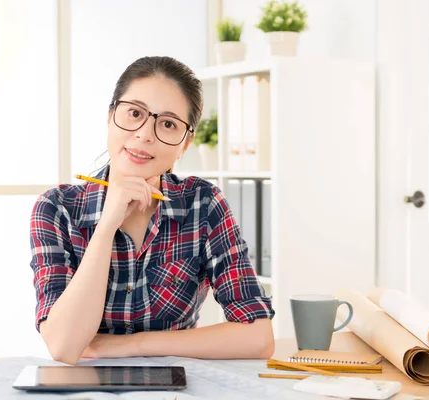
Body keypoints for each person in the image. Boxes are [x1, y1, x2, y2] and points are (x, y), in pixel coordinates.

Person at [29, 56, 275, 365]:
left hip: (174, 386)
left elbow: (258, 336)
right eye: (134, 113)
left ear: (185, 143)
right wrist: (106, 228)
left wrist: (133, 344)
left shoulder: (202, 203)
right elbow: (64, 347)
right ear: (110, 116)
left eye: (168, 124)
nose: (145, 134)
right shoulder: (56, 209)